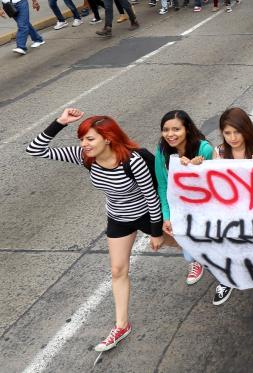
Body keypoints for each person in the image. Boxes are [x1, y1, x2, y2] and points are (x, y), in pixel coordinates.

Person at [27, 108, 163, 352]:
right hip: (118, 218)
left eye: (90, 139)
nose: (84, 144)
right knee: (117, 269)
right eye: (82, 139)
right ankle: (122, 325)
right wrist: (60, 123)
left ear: (108, 138)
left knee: (181, 244)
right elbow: (35, 150)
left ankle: (195, 257)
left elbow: (152, 196)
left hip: (145, 214)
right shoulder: (84, 156)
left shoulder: (133, 160)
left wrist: (156, 232)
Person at [210, 107, 253, 305]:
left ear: (246, 129)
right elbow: (213, 182)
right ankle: (227, 279)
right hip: (231, 210)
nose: (232, 137)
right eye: (227, 133)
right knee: (226, 244)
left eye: (237, 132)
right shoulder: (220, 152)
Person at [153, 110, 214, 287]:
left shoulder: (204, 149)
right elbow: (163, 185)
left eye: (176, 129)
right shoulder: (162, 150)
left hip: (204, 206)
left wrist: (196, 169)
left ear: (187, 129)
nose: (170, 135)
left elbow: (213, 184)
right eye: (165, 130)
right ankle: (196, 262)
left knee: (211, 245)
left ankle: (221, 271)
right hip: (180, 208)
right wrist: (166, 216)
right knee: (189, 253)